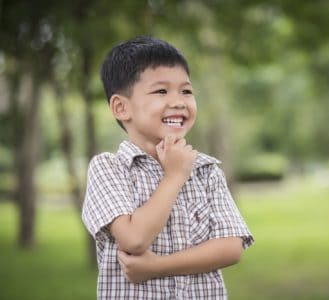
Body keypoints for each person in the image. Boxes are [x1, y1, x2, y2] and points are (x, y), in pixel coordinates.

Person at [81, 36, 254, 300]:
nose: (179, 101)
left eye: (186, 91)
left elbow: (231, 247)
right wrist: (174, 177)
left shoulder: (206, 170)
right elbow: (134, 239)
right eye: (161, 91)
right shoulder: (109, 168)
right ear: (121, 107)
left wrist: (155, 267)